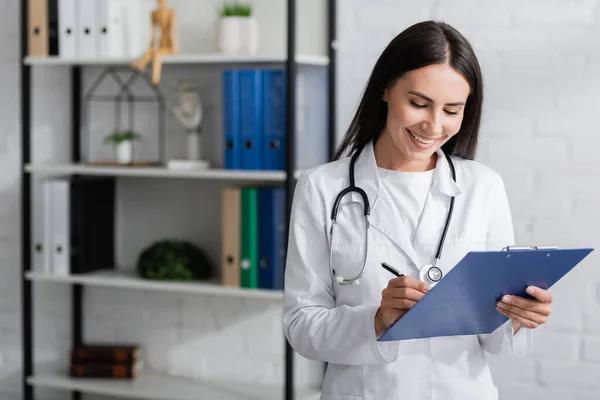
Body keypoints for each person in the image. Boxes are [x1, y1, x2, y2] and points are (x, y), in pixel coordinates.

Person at [282, 20, 553, 400]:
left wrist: (519, 318)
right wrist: (375, 320)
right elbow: (301, 326)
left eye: (452, 110)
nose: (434, 125)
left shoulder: (483, 187)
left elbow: (491, 334)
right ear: (386, 90)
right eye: (419, 103)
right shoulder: (322, 188)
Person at [130, 0, 178, 86]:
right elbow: (153, 32)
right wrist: (151, 46)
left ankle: (155, 78)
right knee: (150, 52)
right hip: (160, 44)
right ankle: (141, 65)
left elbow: (172, 31)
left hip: (168, 45)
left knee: (157, 55)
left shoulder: (171, 12)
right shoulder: (154, 13)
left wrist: (174, 47)